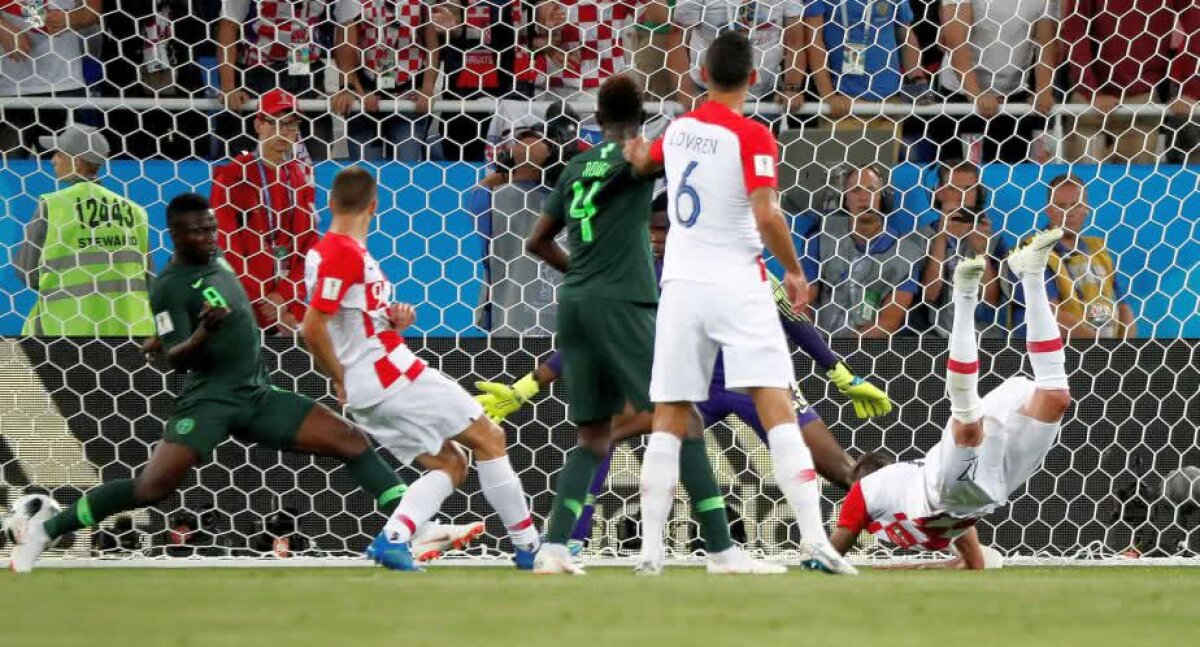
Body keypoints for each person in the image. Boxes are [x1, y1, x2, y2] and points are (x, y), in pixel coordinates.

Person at [8, 192, 417, 573]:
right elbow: (175, 360)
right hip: (211, 400)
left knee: (351, 440)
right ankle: (47, 528)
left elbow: (189, 329)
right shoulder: (170, 285)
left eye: (210, 228)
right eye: (197, 231)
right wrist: (202, 333)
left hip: (255, 392)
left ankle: (409, 528)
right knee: (152, 488)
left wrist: (183, 333)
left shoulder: (218, 260)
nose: (207, 237)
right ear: (175, 235)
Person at [479, 191, 893, 555]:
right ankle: (574, 537)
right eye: (651, 229)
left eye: (665, 229)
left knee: (837, 468)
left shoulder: (736, 265)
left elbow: (791, 318)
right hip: (693, 386)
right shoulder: (636, 278)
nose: (657, 237)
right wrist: (527, 385)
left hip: (757, 382)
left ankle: (907, 516)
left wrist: (841, 373)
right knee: (602, 433)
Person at [521, 75, 774, 575]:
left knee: (593, 437)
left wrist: (586, 275)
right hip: (626, 303)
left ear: (595, 120)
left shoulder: (575, 166)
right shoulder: (637, 157)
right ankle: (723, 551)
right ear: (641, 121)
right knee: (684, 419)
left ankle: (552, 549)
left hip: (574, 303)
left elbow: (536, 243)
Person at [624, 31, 856, 575]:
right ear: (754, 79)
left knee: (669, 414)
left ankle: (650, 552)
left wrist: (624, 137)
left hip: (680, 288)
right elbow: (767, 213)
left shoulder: (679, 129)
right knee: (776, 408)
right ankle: (816, 542)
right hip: (737, 285)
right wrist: (796, 271)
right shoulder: (752, 135)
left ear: (702, 75)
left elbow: (640, 163)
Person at [301, 167, 540, 571]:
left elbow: (347, 322)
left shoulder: (328, 252)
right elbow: (312, 327)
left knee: (451, 464)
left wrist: (394, 321)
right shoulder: (342, 253)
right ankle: (530, 546)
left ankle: (393, 539)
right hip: (390, 375)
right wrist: (338, 377)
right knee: (489, 437)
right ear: (375, 206)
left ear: (329, 203)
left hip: (370, 385)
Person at [831, 231, 1073, 569]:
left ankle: (965, 296)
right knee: (1056, 398)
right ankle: (1030, 272)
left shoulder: (870, 491)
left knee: (968, 425)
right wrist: (909, 569)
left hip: (941, 489)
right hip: (989, 491)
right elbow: (972, 565)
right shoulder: (928, 526)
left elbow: (829, 558)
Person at [15, 125, 155, 337]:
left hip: (65, 331)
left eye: (58, 154)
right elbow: (148, 279)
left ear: (77, 162)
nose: (53, 160)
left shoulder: (52, 206)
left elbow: (27, 273)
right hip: (129, 331)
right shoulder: (135, 212)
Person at [211, 89, 318, 335]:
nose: (283, 132)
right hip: (244, 309)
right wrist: (264, 299)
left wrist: (286, 297)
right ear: (258, 124)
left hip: (289, 312)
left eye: (291, 125)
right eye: (274, 122)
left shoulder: (299, 177)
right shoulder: (232, 176)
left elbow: (308, 243)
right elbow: (226, 246)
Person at [216, 0, 362, 159]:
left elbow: (346, 23)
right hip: (254, 71)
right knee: (244, 155)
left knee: (315, 153)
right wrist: (228, 86)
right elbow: (229, 22)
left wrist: (347, 85)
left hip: (305, 68)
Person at [1062, 0, 1200, 164]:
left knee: (1134, 179)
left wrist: (1190, 92)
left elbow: (1196, 27)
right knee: (1082, 177)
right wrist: (1090, 91)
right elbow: (1075, 29)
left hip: (1142, 96)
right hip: (1088, 100)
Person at [804, 164, 926, 337]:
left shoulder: (907, 253)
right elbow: (803, 304)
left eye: (871, 190)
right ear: (845, 199)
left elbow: (889, 321)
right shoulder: (821, 237)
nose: (864, 197)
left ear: (883, 197)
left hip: (871, 350)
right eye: (856, 191)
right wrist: (817, 348)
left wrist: (847, 352)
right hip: (820, 343)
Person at [934, 0, 1058, 163]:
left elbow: (1046, 43)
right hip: (960, 94)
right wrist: (976, 95)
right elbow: (956, 42)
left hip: (1013, 94)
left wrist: (1043, 91)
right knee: (962, 174)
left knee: (1013, 174)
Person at [1015, 174, 1137, 339]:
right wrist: (1100, 349)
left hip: (1109, 355)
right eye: (1061, 206)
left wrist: (1124, 351)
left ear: (1086, 209)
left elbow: (1124, 308)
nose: (1069, 213)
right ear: (1049, 210)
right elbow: (1050, 316)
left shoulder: (1098, 249)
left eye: (1076, 205)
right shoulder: (1034, 253)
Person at [804, 0, 925, 161]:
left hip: (888, 104)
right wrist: (829, 96)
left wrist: (918, 80)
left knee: (882, 176)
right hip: (843, 106)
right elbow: (813, 41)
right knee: (838, 175)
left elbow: (905, 33)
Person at [666, 0, 808, 113]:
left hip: (765, 95)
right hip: (707, 94)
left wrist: (792, 88)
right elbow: (676, 40)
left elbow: (795, 43)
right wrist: (686, 93)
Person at [0, 0, 100, 159]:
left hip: (65, 83)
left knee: (69, 174)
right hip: (8, 88)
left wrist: (70, 18)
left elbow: (93, 12)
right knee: (7, 176)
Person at [918, 160, 1007, 337]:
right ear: (939, 193)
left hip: (982, 336)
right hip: (934, 336)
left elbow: (991, 301)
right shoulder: (920, 238)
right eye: (953, 189)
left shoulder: (994, 240)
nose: (961, 196)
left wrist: (982, 254)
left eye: (968, 189)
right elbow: (928, 296)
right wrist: (941, 239)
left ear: (978, 194)